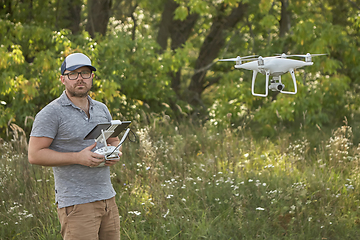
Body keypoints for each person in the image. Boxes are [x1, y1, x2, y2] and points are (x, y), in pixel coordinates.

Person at [28, 53, 121, 240]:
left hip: (107, 199)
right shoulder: (51, 113)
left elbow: (114, 141)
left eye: (85, 73)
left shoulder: (102, 109)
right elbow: (34, 154)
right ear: (62, 78)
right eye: (73, 74)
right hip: (76, 204)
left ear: (92, 77)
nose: (80, 78)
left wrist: (115, 153)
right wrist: (77, 158)